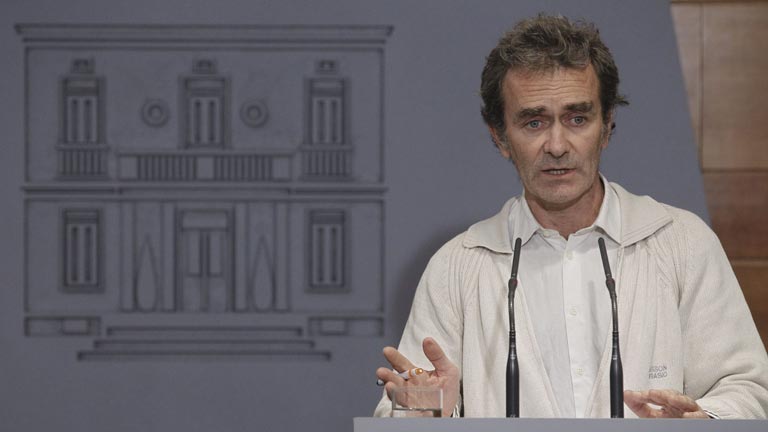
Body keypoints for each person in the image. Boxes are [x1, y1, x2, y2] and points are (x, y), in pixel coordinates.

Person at [374, 14, 768, 419]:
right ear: (500, 137)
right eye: (534, 122)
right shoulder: (457, 267)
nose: (557, 145)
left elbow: (749, 389)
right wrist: (429, 413)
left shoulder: (682, 242)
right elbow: (403, 407)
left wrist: (701, 420)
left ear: (607, 125)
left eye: (577, 119)